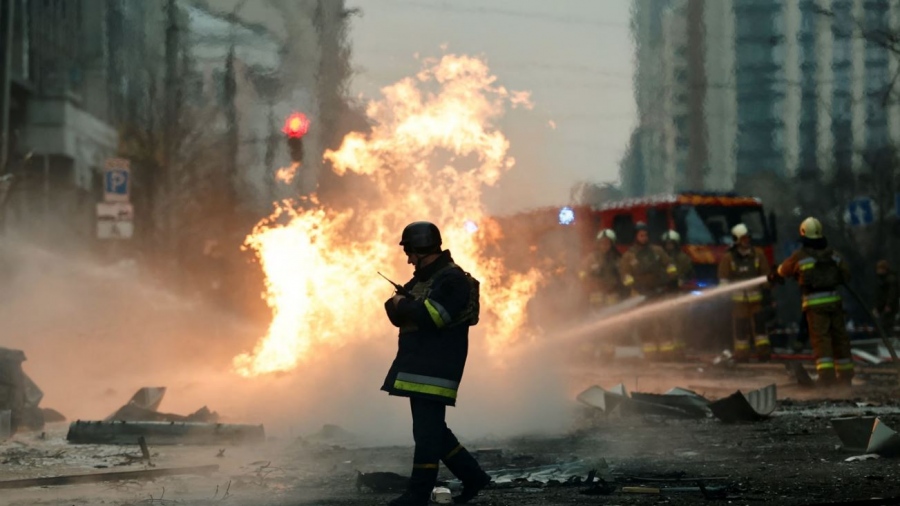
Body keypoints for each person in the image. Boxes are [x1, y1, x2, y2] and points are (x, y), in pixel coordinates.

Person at [382, 221, 490, 506]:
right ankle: (474, 476)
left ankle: (418, 494)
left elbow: (434, 316)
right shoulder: (424, 278)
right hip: (419, 365)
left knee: (427, 433)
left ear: (419, 248)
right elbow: (393, 309)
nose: (407, 259)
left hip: (436, 368)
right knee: (432, 431)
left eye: (409, 251)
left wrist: (403, 305)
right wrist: (401, 305)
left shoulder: (452, 280)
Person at [769, 217, 853, 387]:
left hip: (815, 306)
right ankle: (845, 377)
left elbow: (783, 270)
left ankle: (827, 379)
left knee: (822, 341)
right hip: (835, 303)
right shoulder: (833, 255)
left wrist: (774, 274)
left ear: (803, 235)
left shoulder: (801, 256)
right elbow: (846, 274)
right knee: (840, 339)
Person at [619, 222, 678, 360]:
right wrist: (636, 287)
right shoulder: (629, 256)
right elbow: (625, 275)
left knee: (663, 321)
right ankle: (650, 353)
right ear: (635, 237)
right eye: (641, 235)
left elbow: (670, 266)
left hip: (659, 292)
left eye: (646, 235)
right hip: (641, 295)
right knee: (645, 323)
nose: (644, 238)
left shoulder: (657, 251)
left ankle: (667, 352)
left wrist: (669, 280)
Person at [718, 223, 771, 361]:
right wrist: (725, 298)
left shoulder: (758, 254)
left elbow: (766, 275)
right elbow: (723, 279)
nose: (747, 241)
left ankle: (763, 353)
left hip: (757, 301)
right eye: (743, 239)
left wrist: (767, 292)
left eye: (748, 238)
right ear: (736, 240)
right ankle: (742, 355)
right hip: (738, 302)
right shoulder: (728, 258)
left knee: (760, 330)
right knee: (740, 330)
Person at [661, 230, 693, 358]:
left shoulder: (683, 258)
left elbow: (690, 273)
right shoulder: (660, 257)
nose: (669, 246)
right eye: (667, 244)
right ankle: (667, 350)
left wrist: (682, 280)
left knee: (678, 323)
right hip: (664, 294)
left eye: (671, 244)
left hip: (678, 295)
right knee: (664, 322)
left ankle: (679, 350)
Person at [578, 229, 625, 312]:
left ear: (611, 244)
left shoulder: (617, 259)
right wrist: (586, 282)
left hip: (612, 293)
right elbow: (582, 271)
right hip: (596, 294)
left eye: (607, 243)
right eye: (602, 243)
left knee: (612, 316)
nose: (604, 245)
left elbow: (623, 275)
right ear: (598, 244)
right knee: (596, 316)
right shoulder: (591, 258)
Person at [874, 260, 898, 337]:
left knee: (886, 325)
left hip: (888, 307)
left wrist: (889, 305)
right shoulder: (882, 280)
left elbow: (892, 294)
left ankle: (890, 341)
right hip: (883, 306)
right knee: (883, 325)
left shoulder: (890, 279)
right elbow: (880, 295)